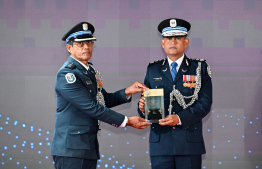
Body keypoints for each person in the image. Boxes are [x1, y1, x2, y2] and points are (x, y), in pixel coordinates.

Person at [51, 21, 151, 169]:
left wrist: (127, 91)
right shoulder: (68, 74)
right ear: (69, 47)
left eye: (89, 42)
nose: (86, 47)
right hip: (71, 149)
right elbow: (91, 108)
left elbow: (102, 100)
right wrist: (127, 121)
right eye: (80, 44)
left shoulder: (88, 71)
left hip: (86, 147)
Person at [138, 18, 212, 169]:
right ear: (163, 43)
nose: (173, 42)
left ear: (186, 42)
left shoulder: (199, 68)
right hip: (161, 144)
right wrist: (142, 108)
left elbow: (205, 103)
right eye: (168, 38)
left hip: (189, 144)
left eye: (178, 38)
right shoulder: (153, 69)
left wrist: (179, 118)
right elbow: (147, 107)